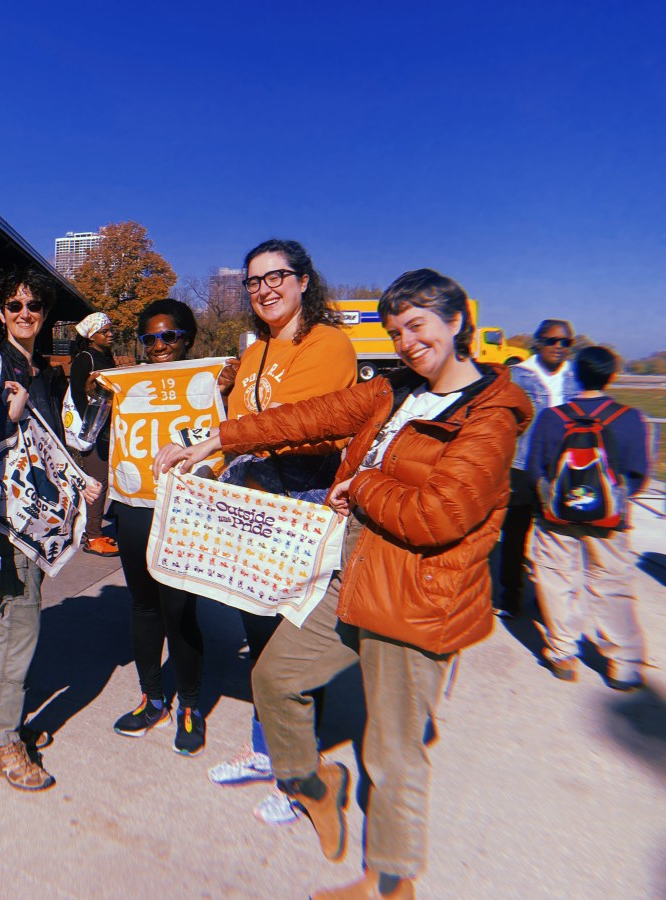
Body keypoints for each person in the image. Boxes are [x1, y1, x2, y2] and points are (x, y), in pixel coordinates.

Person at [155, 269, 531, 899]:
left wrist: (363, 486)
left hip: (417, 595)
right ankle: (312, 783)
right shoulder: (398, 391)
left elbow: (441, 515)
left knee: (391, 753)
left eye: (418, 326)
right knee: (275, 680)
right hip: (353, 571)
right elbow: (308, 416)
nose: (408, 342)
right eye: (396, 331)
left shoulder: (489, 417)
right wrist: (215, 439)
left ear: (457, 321)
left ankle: (389, 884)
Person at [208, 240, 356, 826]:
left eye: (277, 276)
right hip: (252, 507)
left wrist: (225, 437)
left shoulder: (328, 344)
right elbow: (240, 424)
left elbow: (297, 425)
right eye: (254, 281)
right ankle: (266, 749)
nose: (265, 288)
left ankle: (300, 773)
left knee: (293, 640)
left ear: (302, 282)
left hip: (301, 503)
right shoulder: (254, 352)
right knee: (261, 631)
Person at [0, 267, 101, 791]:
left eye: (34, 307)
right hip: (12, 519)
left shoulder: (34, 367)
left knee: (6, 616)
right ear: (1, 312)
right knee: (20, 621)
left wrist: (76, 480)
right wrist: (8, 417)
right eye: (16, 305)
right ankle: (5, 738)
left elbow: (47, 445)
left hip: (33, 515)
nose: (26, 314)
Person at [109, 298, 210, 756]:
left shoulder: (209, 382)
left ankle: (189, 704)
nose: (160, 345)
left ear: (186, 338)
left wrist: (221, 387)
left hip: (183, 509)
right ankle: (152, 699)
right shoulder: (126, 383)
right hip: (134, 507)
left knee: (179, 610)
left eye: (169, 336)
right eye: (150, 338)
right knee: (143, 607)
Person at [527, 346, 650, 690]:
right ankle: (624, 665)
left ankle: (563, 653)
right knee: (613, 587)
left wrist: (551, 501)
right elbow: (638, 473)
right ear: (610, 376)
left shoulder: (552, 417)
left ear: (575, 374)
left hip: (557, 518)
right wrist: (614, 503)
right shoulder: (630, 418)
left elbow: (536, 469)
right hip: (610, 521)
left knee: (555, 581)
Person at [497, 320, 581, 617]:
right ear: (537, 343)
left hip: (561, 470)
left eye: (565, 342)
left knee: (557, 540)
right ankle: (511, 596)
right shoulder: (519, 376)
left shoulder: (575, 378)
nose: (558, 347)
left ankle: (547, 598)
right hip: (521, 468)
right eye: (551, 341)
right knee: (515, 535)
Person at [70, 311, 119, 556]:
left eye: (111, 331)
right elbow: (79, 396)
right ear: (92, 337)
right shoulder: (85, 358)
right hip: (93, 433)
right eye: (104, 332)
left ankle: (95, 529)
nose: (110, 335)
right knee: (96, 484)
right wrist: (92, 428)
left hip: (109, 430)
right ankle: (93, 537)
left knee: (104, 483)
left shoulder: (106, 357)